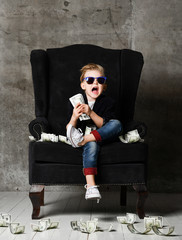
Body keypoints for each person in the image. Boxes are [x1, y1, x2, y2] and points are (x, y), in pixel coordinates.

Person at [66, 63, 122, 203]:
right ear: (83, 85)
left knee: (117, 124)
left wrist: (90, 112)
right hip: (88, 138)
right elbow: (68, 127)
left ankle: (84, 139)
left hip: (102, 135)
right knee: (92, 145)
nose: (95, 83)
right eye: (90, 80)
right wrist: (74, 117)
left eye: (100, 80)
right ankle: (91, 186)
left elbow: (105, 124)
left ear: (104, 86)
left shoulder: (108, 102)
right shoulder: (75, 103)